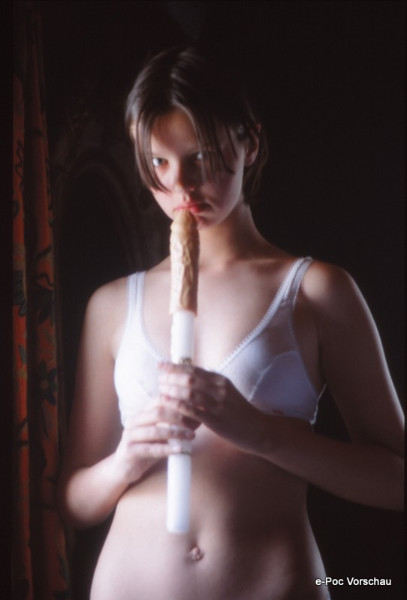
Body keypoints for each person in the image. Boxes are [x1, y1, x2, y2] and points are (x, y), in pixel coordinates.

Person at [58, 46, 404, 600]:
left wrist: (260, 432)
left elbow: (396, 479)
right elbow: (75, 501)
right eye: (159, 164)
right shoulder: (112, 304)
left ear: (251, 143)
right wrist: (128, 458)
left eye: (200, 156)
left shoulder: (315, 291)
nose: (181, 186)